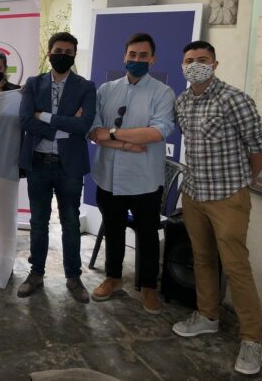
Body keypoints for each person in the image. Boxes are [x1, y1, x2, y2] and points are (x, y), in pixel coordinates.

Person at [172, 41, 262, 376]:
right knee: (202, 257)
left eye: (202, 59)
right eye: (189, 60)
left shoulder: (234, 99)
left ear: (214, 64)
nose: (195, 65)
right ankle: (207, 315)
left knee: (235, 265)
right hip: (194, 194)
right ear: (182, 66)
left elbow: (261, 147)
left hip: (228, 196)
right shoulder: (182, 101)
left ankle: (252, 339)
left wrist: (245, 181)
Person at [88, 32, 175, 314]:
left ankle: (148, 287)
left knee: (147, 235)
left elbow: (157, 132)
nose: (137, 59)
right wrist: (126, 143)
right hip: (108, 176)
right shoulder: (106, 90)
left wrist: (113, 133)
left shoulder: (162, 93)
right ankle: (113, 278)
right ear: (124, 56)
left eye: (143, 55)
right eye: (132, 55)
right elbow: (95, 132)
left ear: (153, 59)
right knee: (113, 230)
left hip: (144, 180)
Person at [18, 32, 96, 302]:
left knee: (71, 222)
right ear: (49, 53)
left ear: (74, 55)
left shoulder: (86, 87)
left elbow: (83, 125)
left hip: (69, 166)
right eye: (58, 50)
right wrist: (64, 127)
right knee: (38, 222)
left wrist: (45, 116)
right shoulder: (33, 83)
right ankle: (36, 273)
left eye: (68, 52)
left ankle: (73, 277)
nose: (63, 55)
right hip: (38, 164)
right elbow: (25, 120)